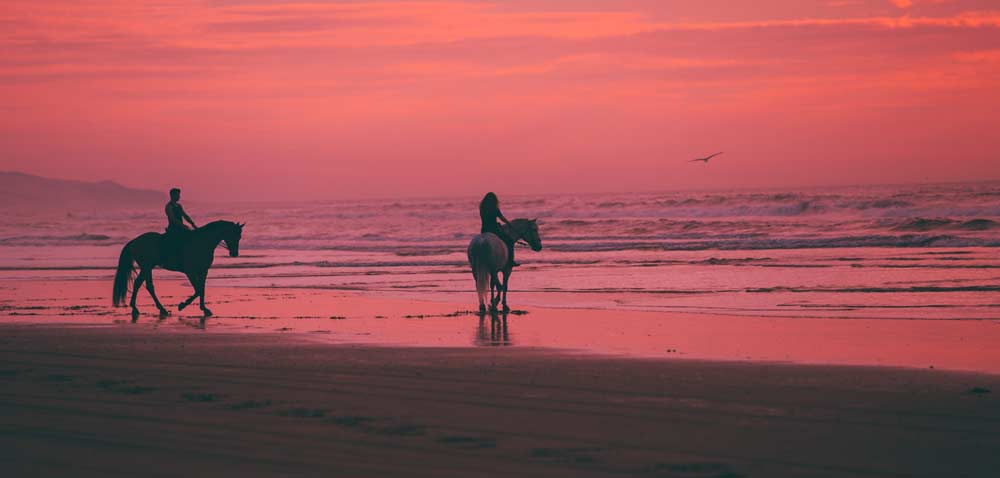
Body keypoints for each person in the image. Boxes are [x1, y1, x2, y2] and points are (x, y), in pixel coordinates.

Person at [479, 192, 519, 267]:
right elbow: (502, 218)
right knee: (509, 241)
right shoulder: (494, 208)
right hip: (494, 230)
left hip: (484, 230)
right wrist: (509, 223)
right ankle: (510, 261)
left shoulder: (482, 208)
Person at [163, 188, 197, 263]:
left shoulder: (179, 206)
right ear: (172, 195)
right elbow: (172, 219)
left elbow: (185, 215)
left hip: (181, 228)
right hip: (173, 228)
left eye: (179, 195)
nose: (179, 197)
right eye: (177, 195)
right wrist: (182, 225)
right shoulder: (169, 206)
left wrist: (192, 223)